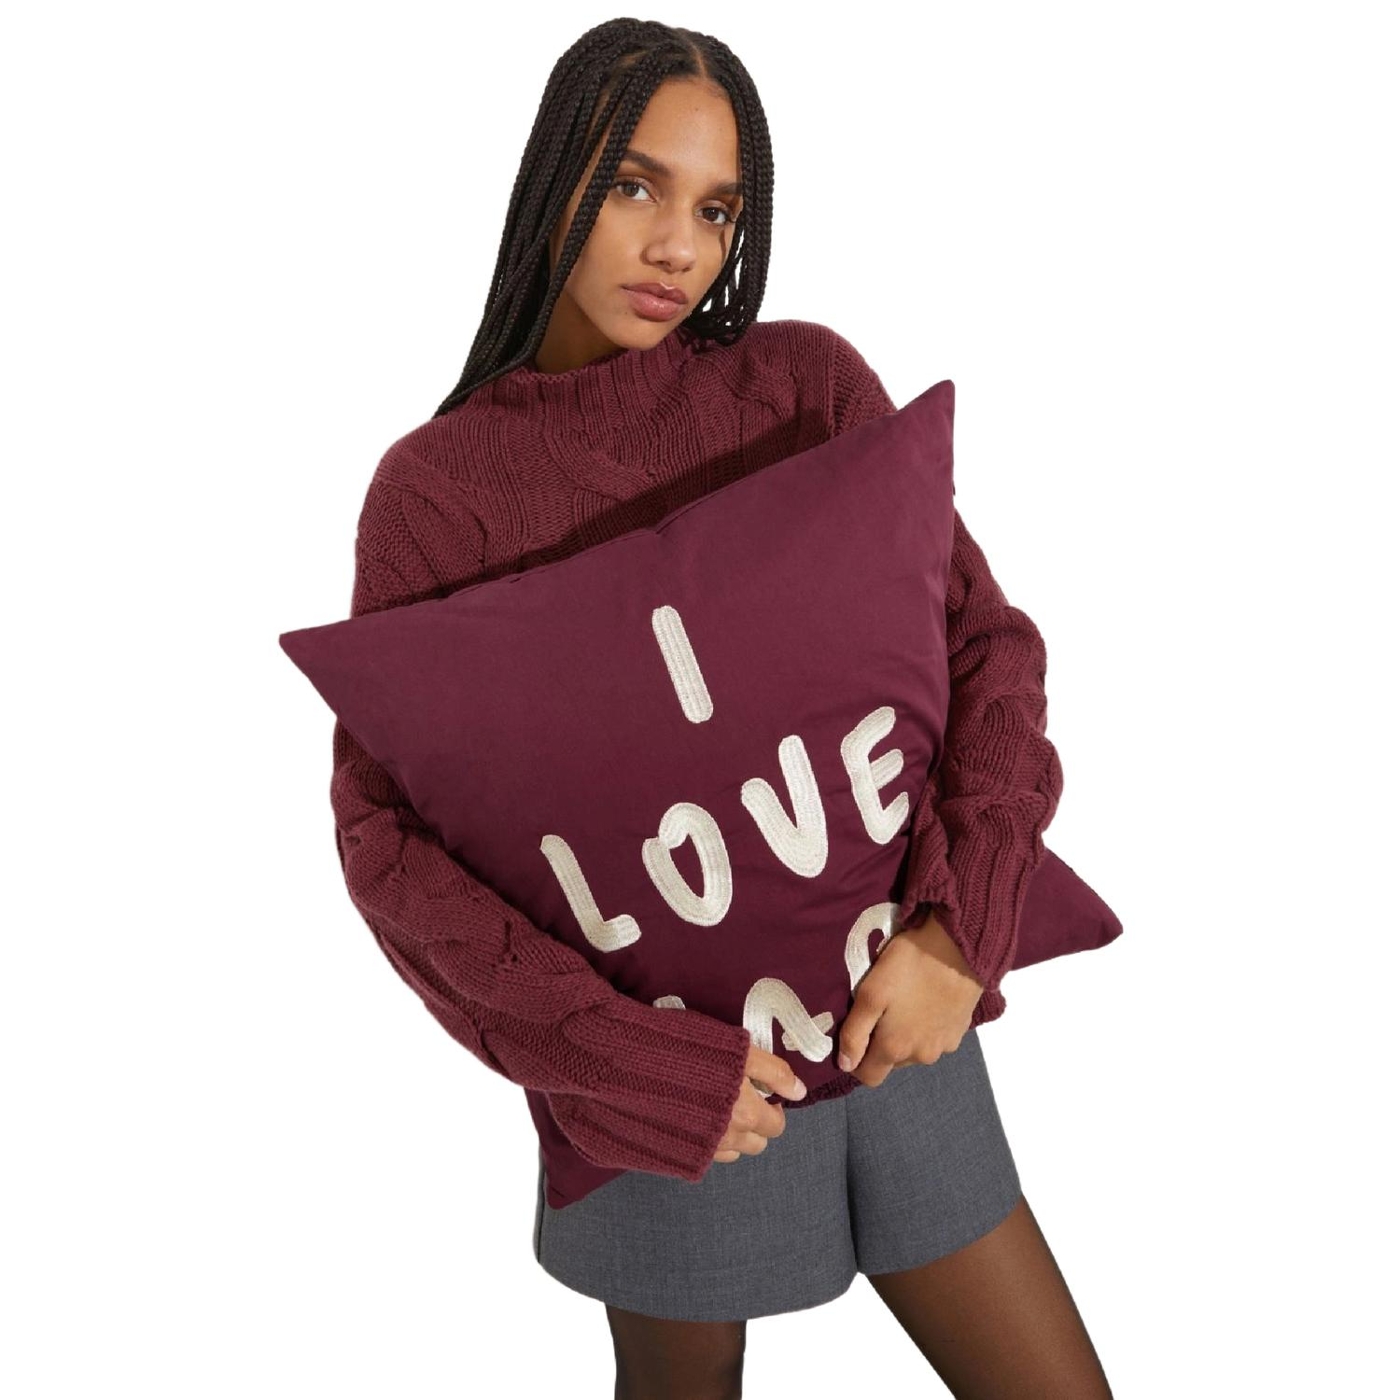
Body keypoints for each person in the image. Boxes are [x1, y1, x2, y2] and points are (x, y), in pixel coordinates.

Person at [330, 18, 1113, 1399]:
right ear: (558, 177)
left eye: (715, 209)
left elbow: (987, 645)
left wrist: (962, 925)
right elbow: (389, 852)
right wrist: (625, 1065)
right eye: (636, 186)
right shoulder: (438, 496)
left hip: (901, 1010)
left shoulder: (803, 391)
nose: (676, 246)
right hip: (670, 1093)